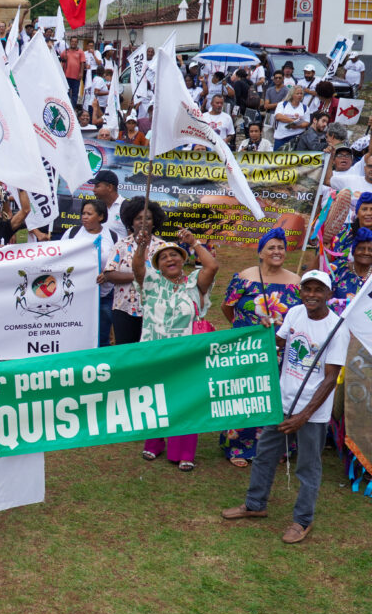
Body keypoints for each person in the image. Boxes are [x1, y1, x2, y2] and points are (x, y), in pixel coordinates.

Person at [221, 270, 347, 543]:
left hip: (311, 413)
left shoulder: (337, 328)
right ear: (301, 291)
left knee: (307, 467)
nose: (311, 294)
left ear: (328, 294)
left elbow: (330, 379)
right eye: (307, 289)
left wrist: (303, 416)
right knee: (264, 454)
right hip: (283, 401)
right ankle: (255, 505)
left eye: (318, 290)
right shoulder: (295, 312)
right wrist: (266, 325)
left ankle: (303, 521)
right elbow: (281, 341)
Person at [134, 228, 218, 471]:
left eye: (175, 255)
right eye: (163, 257)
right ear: (158, 265)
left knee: (186, 399)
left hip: (187, 353)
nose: (170, 259)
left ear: (183, 260)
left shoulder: (194, 282)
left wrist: (194, 242)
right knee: (157, 396)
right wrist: (141, 246)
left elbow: (212, 267)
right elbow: (138, 267)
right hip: (154, 352)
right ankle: (155, 441)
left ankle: (184, 452)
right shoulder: (151, 282)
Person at [220, 228, 301, 466]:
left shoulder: (296, 282)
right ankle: (238, 447)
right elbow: (228, 306)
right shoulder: (245, 276)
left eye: (281, 247)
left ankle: (276, 449)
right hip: (247, 348)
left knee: (277, 397)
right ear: (261, 252)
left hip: (281, 351)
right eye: (271, 247)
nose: (277, 252)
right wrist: (243, 330)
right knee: (244, 393)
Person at [103, 197, 168, 345]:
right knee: (125, 352)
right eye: (138, 218)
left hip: (155, 309)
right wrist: (139, 276)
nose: (143, 222)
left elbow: (169, 276)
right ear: (131, 222)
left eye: (148, 218)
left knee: (151, 350)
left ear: (154, 222)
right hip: (124, 308)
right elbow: (109, 273)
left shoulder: (163, 246)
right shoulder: (121, 245)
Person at [62, 200, 119, 347]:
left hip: (104, 295)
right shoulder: (72, 233)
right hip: (75, 295)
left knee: (102, 335)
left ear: (100, 216)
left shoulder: (113, 237)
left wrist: (107, 275)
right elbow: (59, 257)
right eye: (83, 213)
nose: (84, 217)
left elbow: (119, 263)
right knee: (75, 333)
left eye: (89, 214)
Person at [330, 226, 372, 314]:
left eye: (370, 250)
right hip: (335, 322)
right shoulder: (339, 268)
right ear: (353, 251)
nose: (366, 252)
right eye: (361, 248)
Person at [90, 170, 128, 236]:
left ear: (110, 187)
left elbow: (133, 238)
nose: (93, 190)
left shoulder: (127, 208)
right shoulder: (97, 208)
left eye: (97, 186)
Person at [272, 86, 309, 150]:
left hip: (297, 137)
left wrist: (297, 126)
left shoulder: (305, 108)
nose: (299, 95)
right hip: (281, 137)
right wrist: (293, 121)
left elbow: (306, 122)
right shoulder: (282, 104)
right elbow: (278, 116)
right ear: (292, 94)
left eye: (301, 94)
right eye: (297, 93)